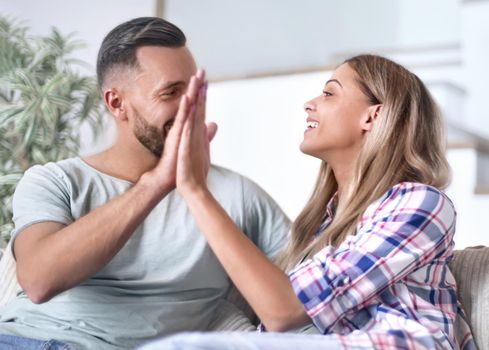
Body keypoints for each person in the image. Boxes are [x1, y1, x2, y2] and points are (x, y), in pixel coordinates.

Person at [139, 54, 476, 349]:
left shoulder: (420, 204)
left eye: (329, 93)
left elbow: (282, 310)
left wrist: (195, 189)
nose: (310, 103)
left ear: (372, 117)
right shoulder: (324, 225)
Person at [0, 17, 290, 350]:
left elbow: (315, 297)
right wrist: (156, 184)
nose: (189, 108)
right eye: (171, 93)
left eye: (195, 92)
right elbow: (38, 280)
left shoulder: (235, 196)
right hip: (24, 340)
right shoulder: (56, 180)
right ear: (116, 103)